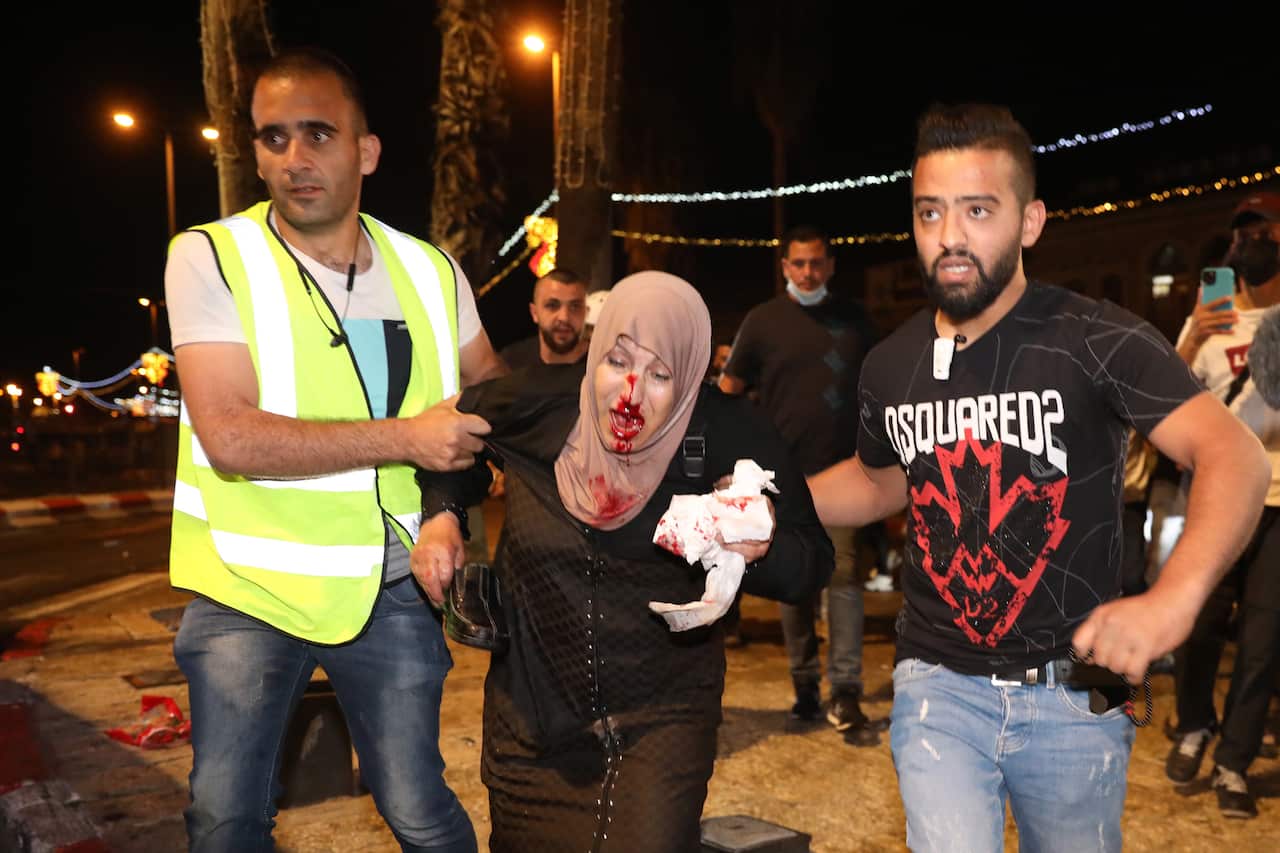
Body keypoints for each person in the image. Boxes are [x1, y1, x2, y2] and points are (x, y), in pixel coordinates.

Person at [806, 102, 1269, 851]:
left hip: (1085, 683)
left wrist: (1171, 602)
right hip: (937, 680)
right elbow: (879, 479)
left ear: (1030, 222)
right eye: (929, 212)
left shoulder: (1096, 335)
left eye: (977, 210)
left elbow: (1235, 455)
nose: (949, 237)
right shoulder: (890, 363)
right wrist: (776, 502)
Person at [164, 47, 504, 852]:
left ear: (367, 150)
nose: (294, 157)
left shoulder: (430, 271)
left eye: (318, 134)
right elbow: (229, 435)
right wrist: (409, 437)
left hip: (392, 584)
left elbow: (490, 408)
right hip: (247, 588)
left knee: (419, 809)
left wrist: (445, 514)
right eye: (273, 137)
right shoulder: (211, 256)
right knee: (224, 820)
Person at [412, 271, 833, 852]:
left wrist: (761, 545)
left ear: (690, 373)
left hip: (662, 721)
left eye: (660, 374)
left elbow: (812, 564)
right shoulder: (541, 402)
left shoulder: (729, 431)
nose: (630, 391)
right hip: (532, 718)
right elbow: (445, 442)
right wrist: (442, 517)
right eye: (617, 362)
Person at [720, 225, 878, 737]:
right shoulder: (763, 321)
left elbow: (882, 385)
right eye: (798, 263)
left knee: (844, 577)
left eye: (816, 263)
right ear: (785, 266)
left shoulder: (855, 321)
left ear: (830, 265)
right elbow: (729, 389)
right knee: (794, 582)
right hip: (783, 478)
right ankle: (805, 686)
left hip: (847, 473)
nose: (808, 272)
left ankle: (846, 691)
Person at [1165, 190, 1280, 818]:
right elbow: (1165, 398)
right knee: (1199, 624)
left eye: (1265, 231)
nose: (1252, 243)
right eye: (1244, 233)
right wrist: (1192, 342)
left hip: (1277, 499)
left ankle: (1234, 761)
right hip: (1215, 497)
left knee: (1262, 641)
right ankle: (1194, 724)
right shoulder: (1209, 310)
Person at [498, 267, 590, 369]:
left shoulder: (600, 362)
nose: (564, 317)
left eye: (575, 306)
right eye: (552, 305)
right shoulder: (511, 362)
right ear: (534, 313)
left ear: (586, 313)